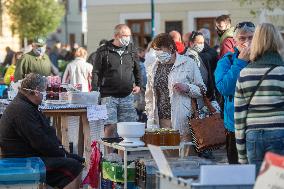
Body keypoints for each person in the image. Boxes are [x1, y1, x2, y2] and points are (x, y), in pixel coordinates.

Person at [0, 73, 84, 189]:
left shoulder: (26, 105)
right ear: (36, 91)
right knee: (74, 167)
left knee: (76, 160)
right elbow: (40, 142)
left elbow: (43, 138)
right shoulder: (21, 110)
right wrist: (63, 154)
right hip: (22, 161)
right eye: (45, 91)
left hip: (30, 156)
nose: (46, 94)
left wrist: (64, 153)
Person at [235, 23, 284, 173]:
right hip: (279, 132)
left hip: (253, 135)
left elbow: (239, 116)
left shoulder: (244, 73)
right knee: (276, 183)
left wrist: (241, 154)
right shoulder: (281, 71)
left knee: (257, 183)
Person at [145, 33, 205, 150]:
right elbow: (149, 95)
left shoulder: (188, 63)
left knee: (183, 159)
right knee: (166, 160)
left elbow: (202, 90)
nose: (157, 53)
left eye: (159, 49)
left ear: (171, 48)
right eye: (155, 50)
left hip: (182, 119)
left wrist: (187, 88)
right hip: (160, 121)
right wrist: (149, 114)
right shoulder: (153, 67)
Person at [214, 21, 255, 164]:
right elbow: (225, 88)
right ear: (235, 41)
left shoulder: (263, 60)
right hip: (235, 127)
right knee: (238, 174)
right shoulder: (227, 61)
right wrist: (241, 62)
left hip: (260, 126)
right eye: (242, 38)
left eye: (251, 38)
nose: (247, 42)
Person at [92, 24, 142, 141]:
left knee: (126, 129)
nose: (128, 38)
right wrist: (94, 90)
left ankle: (121, 157)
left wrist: (139, 84)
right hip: (109, 95)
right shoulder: (103, 51)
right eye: (125, 35)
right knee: (110, 126)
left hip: (127, 94)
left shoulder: (131, 50)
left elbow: (137, 68)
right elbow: (96, 72)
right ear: (116, 36)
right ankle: (108, 156)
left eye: (129, 36)